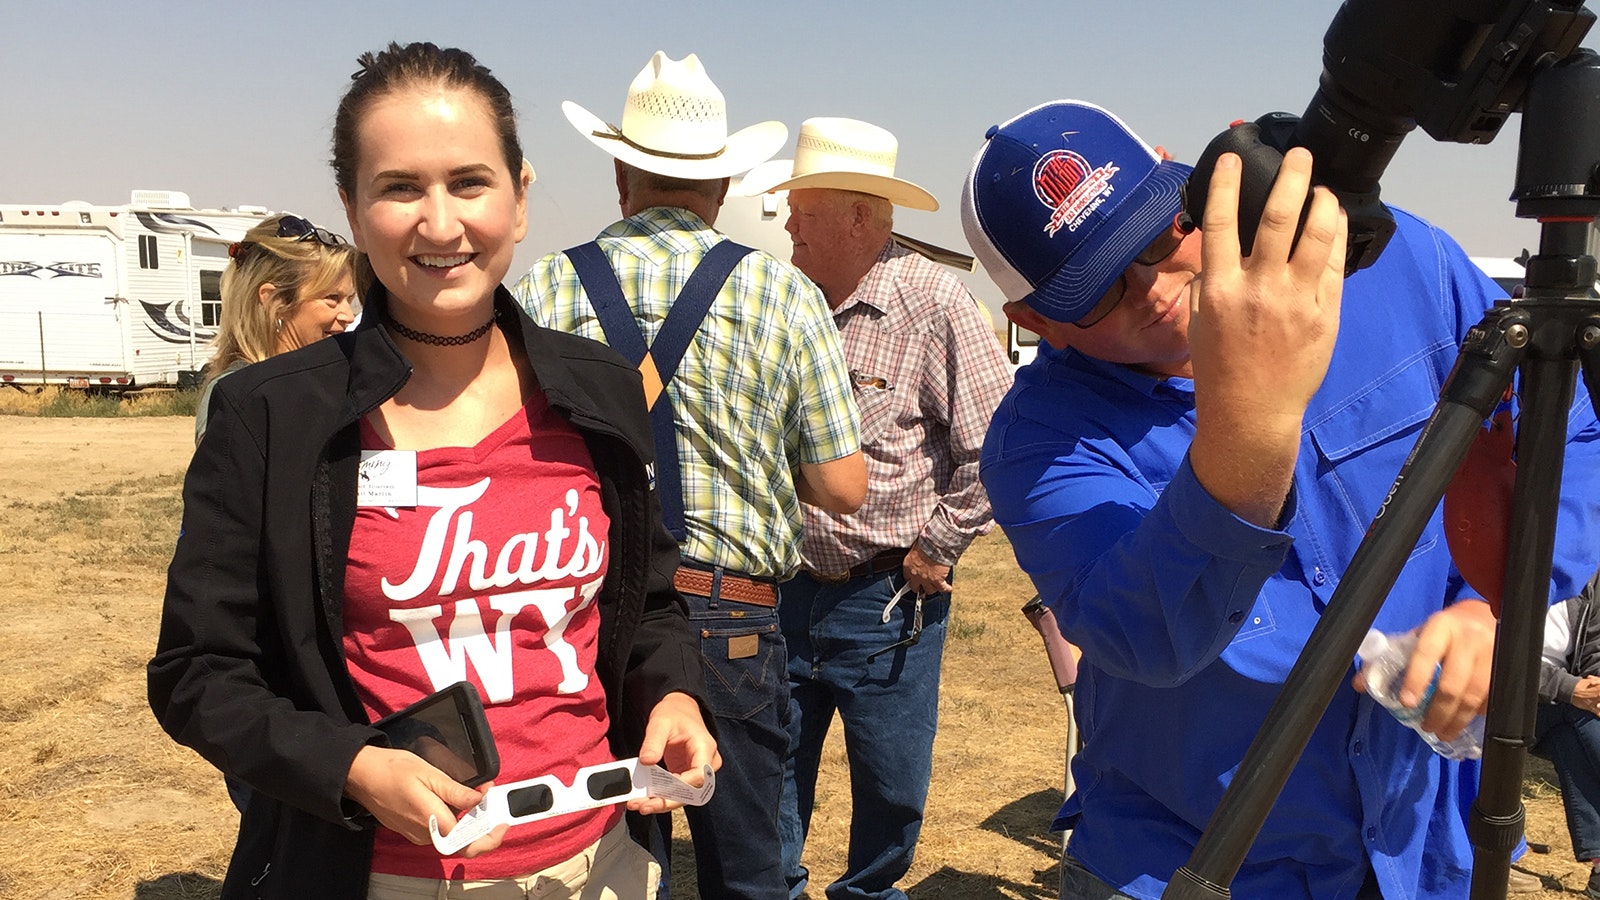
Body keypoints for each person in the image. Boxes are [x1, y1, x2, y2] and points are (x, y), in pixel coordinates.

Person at [960, 100, 1600, 900]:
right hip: (1196, 862)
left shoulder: (1386, 262)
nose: (1154, 289)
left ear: (1192, 189)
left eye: (1160, 238)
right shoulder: (1040, 442)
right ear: (1036, 324)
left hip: (1422, 846)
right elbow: (1150, 633)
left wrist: (1495, 604)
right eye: (1098, 292)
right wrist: (1250, 416)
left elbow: (1563, 430)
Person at [149, 42, 718, 900]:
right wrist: (349, 766)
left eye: (470, 182)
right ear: (352, 205)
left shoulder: (599, 391)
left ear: (520, 198)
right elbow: (197, 673)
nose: (441, 224)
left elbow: (650, 605)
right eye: (400, 187)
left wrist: (671, 696)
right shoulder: (270, 414)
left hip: (600, 863)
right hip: (379, 875)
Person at [514, 53, 865, 900]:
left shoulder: (545, 287)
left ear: (619, 170)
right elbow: (844, 487)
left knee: (610, 863)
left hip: (598, 615)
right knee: (747, 865)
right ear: (726, 179)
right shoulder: (783, 293)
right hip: (733, 616)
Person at [737, 116, 1012, 900]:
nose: (787, 223)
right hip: (783, 587)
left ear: (859, 218)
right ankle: (776, 888)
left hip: (888, 597)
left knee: (891, 777)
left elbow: (997, 445)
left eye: (806, 211)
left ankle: (867, 892)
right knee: (774, 763)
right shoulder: (784, 301)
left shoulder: (936, 305)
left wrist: (939, 546)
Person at [194, 213, 356, 446]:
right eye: (332, 298)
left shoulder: (319, 380)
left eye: (349, 299)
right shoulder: (236, 396)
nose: (348, 316)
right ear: (274, 302)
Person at [1536, 566, 1600, 899]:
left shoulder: (1589, 570)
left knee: (1569, 739)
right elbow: (1500, 657)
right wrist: (1571, 689)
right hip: (1499, 701)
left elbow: (1594, 648)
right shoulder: (1498, 563)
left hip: (1556, 708)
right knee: (1583, 718)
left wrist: (1595, 686)